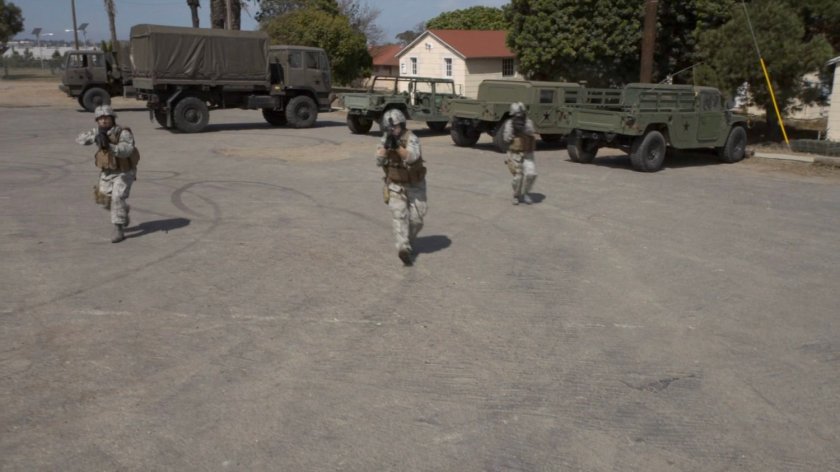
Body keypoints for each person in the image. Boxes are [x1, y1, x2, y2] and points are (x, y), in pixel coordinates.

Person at [76, 105, 138, 243]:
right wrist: (95, 138)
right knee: (100, 198)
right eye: (100, 118)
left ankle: (118, 228)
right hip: (108, 172)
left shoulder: (122, 132)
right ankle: (123, 211)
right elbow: (79, 138)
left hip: (124, 171)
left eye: (106, 118)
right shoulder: (97, 131)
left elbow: (127, 149)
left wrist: (109, 146)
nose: (104, 121)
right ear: (97, 120)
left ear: (112, 118)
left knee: (117, 197)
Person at [376, 109, 427, 266]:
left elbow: (412, 158)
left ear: (401, 125)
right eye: (388, 128)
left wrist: (398, 147)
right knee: (399, 216)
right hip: (395, 185)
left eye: (394, 127)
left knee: (417, 220)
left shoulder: (412, 138)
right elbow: (379, 160)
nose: (391, 130)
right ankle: (403, 248)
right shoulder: (386, 139)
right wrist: (386, 146)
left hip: (415, 184)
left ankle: (408, 241)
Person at [503, 102, 538, 205]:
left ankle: (526, 193)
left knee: (531, 174)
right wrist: (513, 130)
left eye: (521, 114)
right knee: (518, 177)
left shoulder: (528, 122)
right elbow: (506, 138)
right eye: (517, 115)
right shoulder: (509, 124)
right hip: (515, 154)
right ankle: (516, 195)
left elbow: (531, 131)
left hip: (528, 153)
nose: (519, 117)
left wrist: (523, 127)